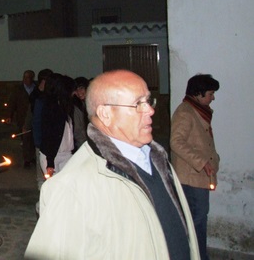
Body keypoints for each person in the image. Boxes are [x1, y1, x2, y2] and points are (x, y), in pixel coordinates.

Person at [25, 70, 200, 259]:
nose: (150, 110)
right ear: (105, 114)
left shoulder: (159, 161)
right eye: (137, 104)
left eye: (148, 101)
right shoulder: (72, 188)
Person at [171, 74, 220, 260]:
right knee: (196, 222)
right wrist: (203, 162)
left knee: (198, 220)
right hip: (191, 177)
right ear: (198, 94)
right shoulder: (185, 112)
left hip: (198, 176)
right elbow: (176, 142)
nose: (213, 98)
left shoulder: (197, 110)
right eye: (210, 93)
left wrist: (214, 159)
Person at [39, 74, 76, 178]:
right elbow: (48, 134)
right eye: (72, 90)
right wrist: (50, 162)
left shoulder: (67, 106)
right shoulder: (51, 107)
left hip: (67, 154)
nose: (74, 93)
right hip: (52, 155)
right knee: (55, 189)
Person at [8, 70, 36, 168]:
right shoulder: (18, 89)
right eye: (25, 77)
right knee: (25, 138)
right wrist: (9, 115)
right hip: (22, 117)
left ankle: (31, 156)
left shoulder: (36, 88)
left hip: (34, 117)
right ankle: (26, 159)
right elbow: (12, 102)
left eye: (28, 77)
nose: (26, 79)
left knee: (33, 138)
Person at [72, 76, 89, 151]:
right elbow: (78, 131)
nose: (79, 92)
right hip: (84, 145)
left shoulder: (93, 104)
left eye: (81, 88)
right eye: (76, 89)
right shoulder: (76, 107)